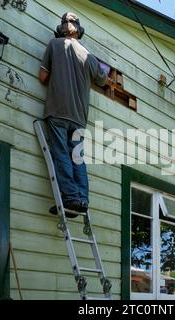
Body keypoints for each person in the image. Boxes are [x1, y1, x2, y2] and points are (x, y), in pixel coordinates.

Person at [39, 12, 108, 218]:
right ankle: (81, 200)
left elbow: (42, 76)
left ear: (61, 29)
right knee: (77, 158)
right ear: (79, 30)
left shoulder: (54, 44)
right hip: (79, 117)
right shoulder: (88, 56)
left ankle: (70, 197)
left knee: (61, 154)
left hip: (58, 110)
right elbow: (103, 80)